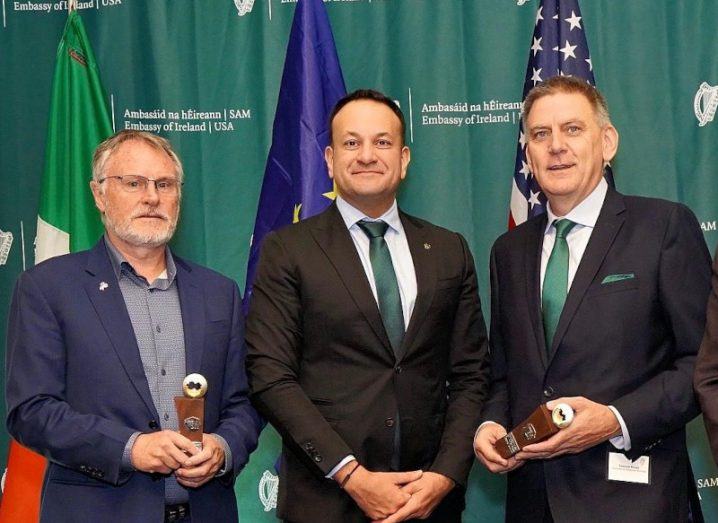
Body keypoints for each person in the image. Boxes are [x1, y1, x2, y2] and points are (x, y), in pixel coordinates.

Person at [245, 89, 490, 523]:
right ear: (329, 158)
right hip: (328, 501)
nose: (366, 155)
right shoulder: (288, 249)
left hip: (428, 501)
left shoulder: (448, 250)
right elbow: (271, 377)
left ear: (404, 157)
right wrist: (351, 475)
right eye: (351, 143)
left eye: (382, 142)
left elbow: (471, 376)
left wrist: (445, 475)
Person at [473, 76, 710, 522]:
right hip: (533, 503)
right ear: (528, 156)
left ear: (608, 142)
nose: (556, 146)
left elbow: (701, 364)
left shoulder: (663, 227)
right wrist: (489, 426)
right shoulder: (508, 251)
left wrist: (615, 419)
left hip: (637, 503)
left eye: (573, 129)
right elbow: (505, 375)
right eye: (541, 135)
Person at [6, 130, 262, 523]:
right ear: (99, 195)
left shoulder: (218, 292)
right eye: (134, 183)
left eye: (165, 184)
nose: (152, 197)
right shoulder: (48, 288)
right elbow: (32, 411)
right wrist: (130, 448)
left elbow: (242, 404)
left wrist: (223, 448)